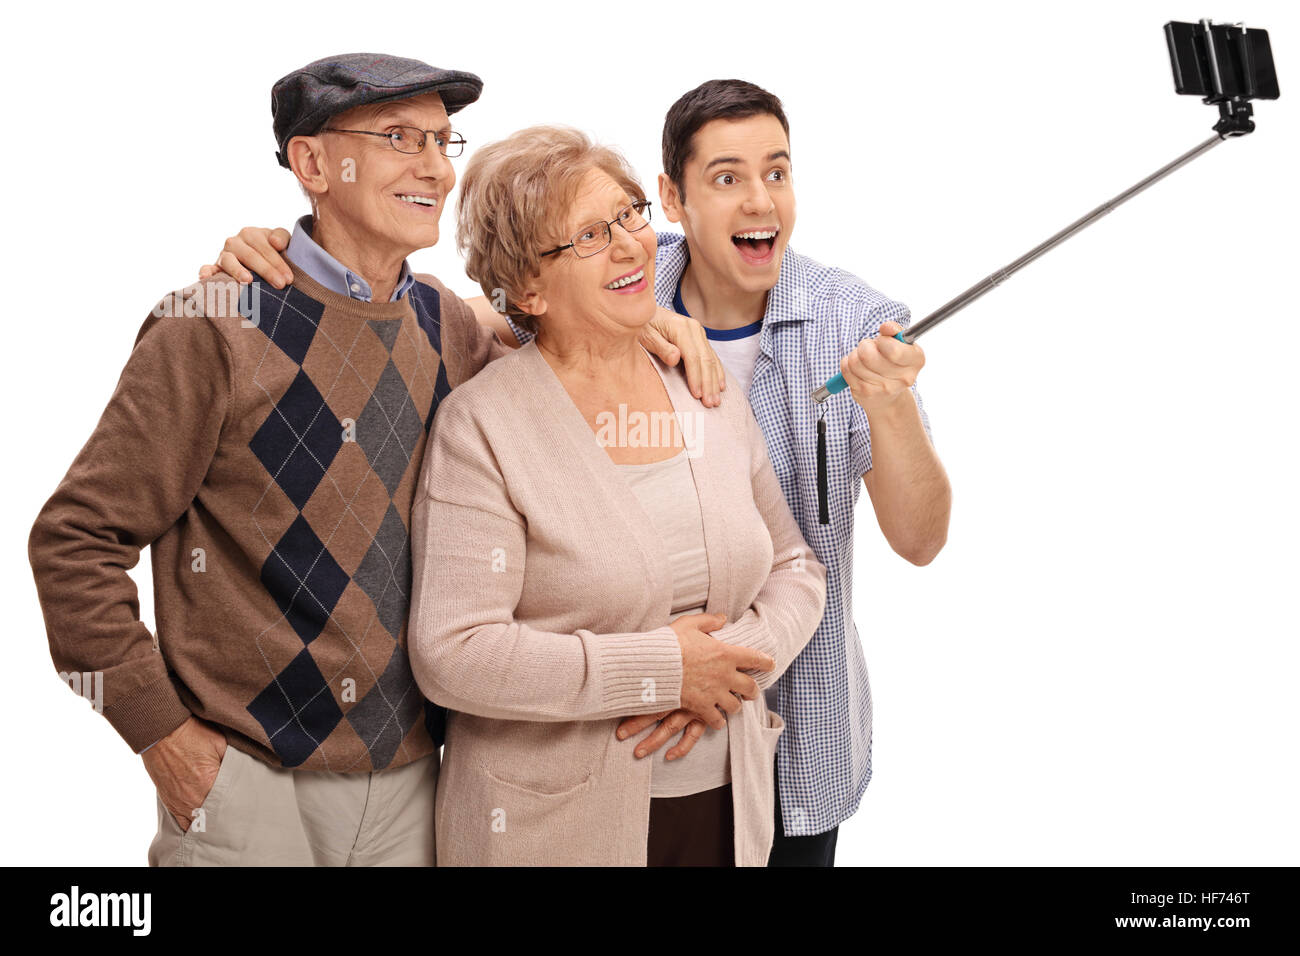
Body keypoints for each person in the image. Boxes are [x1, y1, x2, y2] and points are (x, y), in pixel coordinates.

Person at [29, 53, 718, 867]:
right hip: (248, 783)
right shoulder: (210, 325)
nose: (435, 166)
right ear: (312, 163)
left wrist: (648, 325)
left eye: (441, 140)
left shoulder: (445, 327)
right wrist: (163, 739)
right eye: (399, 138)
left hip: (413, 784)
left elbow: (552, 334)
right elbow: (74, 542)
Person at [409, 125, 828, 866]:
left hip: (726, 811)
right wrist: (659, 670)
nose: (634, 245)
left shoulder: (700, 382)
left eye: (631, 214)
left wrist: (732, 662)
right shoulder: (483, 426)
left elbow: (796, 565)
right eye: (591, 236)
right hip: (554, 831)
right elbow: (455, 652)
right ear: (529, 287)